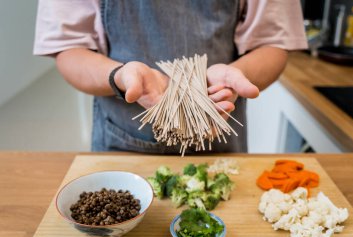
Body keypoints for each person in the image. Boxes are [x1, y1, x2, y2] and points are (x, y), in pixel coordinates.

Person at [34, 0, 307, 154]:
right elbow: (69, 50)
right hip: (121, 144)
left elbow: (273, 43)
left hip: (218, 133)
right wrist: (121, 76)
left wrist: (237, 76)